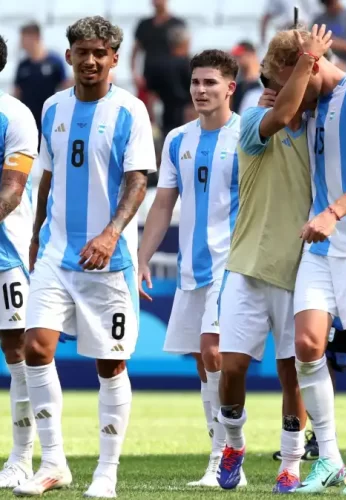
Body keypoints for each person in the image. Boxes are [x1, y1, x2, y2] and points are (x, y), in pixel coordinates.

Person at [12, 16, 156, 498]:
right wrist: (36, 236)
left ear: (115, 59)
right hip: (56, 252)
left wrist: (113, 234)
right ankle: (53, 462)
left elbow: (138, 181)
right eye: (82, 51)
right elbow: (47, 178)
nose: (90, 60)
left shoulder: (130, 112)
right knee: (35, 347)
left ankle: (106, 471)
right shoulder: (52, 107)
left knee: (109, 366)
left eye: (100, 53)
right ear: (69, 55)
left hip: (108, 261)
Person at [260, 24, 346, 496]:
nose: (288, 95)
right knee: (306, 344)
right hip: (321, 248)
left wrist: (333, 211)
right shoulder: (313, 107)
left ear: (312, 64)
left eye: (290, 81)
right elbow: (283, 120)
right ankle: (332, 461)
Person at [215, 33, 331, 491]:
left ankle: (291, 462)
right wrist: (307, 59)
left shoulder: (320, 133)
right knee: (232, 369)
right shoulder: (254, 120)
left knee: (293, 373)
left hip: (298, 269)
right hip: (247, 265)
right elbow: (283, 113)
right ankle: (234, 444)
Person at [138, 49, 245, 488]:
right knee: (204, 363)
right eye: (196, 83)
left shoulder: (248, 136)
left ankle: (227, 458)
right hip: (191, 267)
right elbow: (163, 203)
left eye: (211, 83)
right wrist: (143, 257)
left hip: (234, 263)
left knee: (214, 350)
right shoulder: (178, 139)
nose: (201, 91)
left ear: (230, 88)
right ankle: (220, 455)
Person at [0, 34, 39, 489]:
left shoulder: (14, 116)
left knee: (18, 353)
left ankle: (22, 457)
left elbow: (11, 190)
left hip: (6, 252)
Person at [14, 22, 68, 146]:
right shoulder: (23, 65)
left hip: (50, 120)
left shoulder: (55, 61)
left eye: (24, 38)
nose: (21, 42)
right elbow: (17, 92)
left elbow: (65, 87)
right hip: (28, 122)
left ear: (36, 37)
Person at [131, 0, 186, 122]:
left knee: (172, 116)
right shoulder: (144, 24)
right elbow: (135, 50)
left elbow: (184, 49)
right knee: (143, 115)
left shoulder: (177, 23)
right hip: (149, 76)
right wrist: (135, 73)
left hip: (171, 78)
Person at [313, 0, 346, 70]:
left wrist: (340, 44)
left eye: (331, 2)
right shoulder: (319, 20)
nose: (330, 6)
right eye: (326, 3)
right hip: (326, 62)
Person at [231, 42, 263, 115]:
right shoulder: (237, 85)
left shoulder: (265, 81)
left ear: (251, 55)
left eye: (240, 56)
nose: (237, 59)